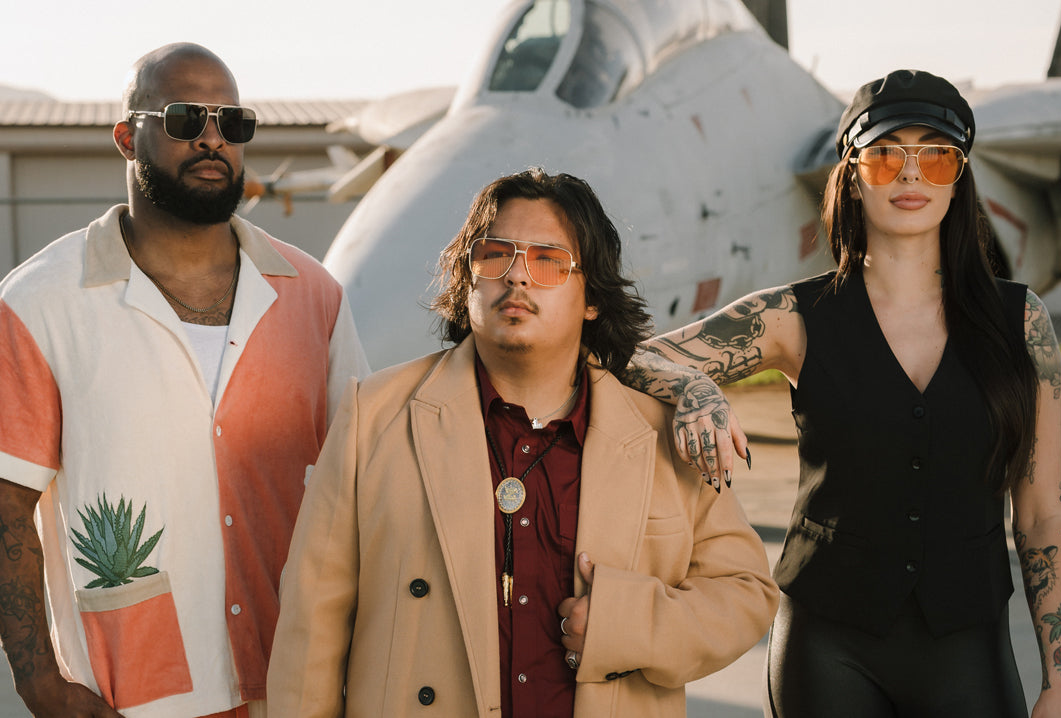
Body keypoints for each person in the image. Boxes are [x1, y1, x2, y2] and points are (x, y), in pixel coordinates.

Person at [629, 69, 1061, 717]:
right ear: (851, 176)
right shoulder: (791, 318)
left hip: (968, 647)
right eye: (885, 155)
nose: (910, 174)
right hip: (826, 649)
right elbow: (629, 357)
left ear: (958, 179)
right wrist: (692, 385)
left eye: (936, 157)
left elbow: (1041, 517)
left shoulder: (1022, 323)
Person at [266, 168, 779, 717]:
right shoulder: (374, 417)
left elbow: (745, 592)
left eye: (548, 262)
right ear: (467, 281)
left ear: (592, 298)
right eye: (494, 256)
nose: (516, 276)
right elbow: (310, 633)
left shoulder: (659, 432)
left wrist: (629, 625)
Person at [0, 43, 368, 717]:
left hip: (298, 684)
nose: (212, 138)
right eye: (184, 118)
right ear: (126, 138)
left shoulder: (314, 295)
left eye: (233, 123)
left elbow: (366, 480)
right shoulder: (38, 304)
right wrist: (37, 679)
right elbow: (6, 500)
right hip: (130, 697)